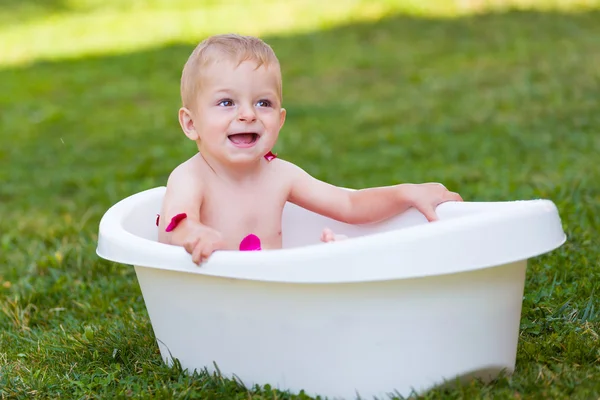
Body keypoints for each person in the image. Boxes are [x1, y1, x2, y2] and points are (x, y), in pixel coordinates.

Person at [157, 33, 462, 264]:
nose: (248, 114)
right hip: (210, 296)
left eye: (263, 103)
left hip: (271, 298)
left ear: (280, 119)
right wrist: (194, 234)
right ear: (190, 123)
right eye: (227, 102)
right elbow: (176, 221)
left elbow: (350, 205)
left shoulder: (280, 176)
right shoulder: (191, 178)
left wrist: (406, 193)